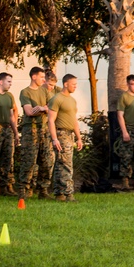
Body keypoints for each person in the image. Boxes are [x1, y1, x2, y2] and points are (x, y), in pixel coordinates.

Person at [18, 67, 56, 199]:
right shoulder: (25, 92)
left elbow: (53, 107)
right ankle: (24, 190)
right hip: (30, 131)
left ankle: (43, 190)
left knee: (46, 161)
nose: (43, 80)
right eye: (41, 77)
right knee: (29, 161)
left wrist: (42, 108)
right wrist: (43, 108)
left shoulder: (44, 91)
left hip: (44, 130)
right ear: (34, 77)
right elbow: (29, 112)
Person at [48, 74, 84, 203]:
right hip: (61, 134)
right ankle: (69, 194)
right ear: (65, 84)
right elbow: (51, 120)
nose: (75, 86)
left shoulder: (72, 100)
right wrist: (54, 138)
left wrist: (79, 138)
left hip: (70, 135)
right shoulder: (57, 99)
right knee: (66, 164)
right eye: (73, 84)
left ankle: (59, 193)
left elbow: (74, 120)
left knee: (60, 164)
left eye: (76, 84)